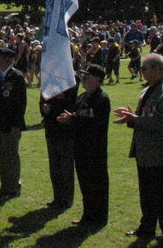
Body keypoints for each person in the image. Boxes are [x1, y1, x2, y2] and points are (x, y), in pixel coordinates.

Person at [114, 54, 163, 242]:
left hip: (157, 152)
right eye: (142, 69)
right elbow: (146, 117)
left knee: (162, 195)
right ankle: (147, 227)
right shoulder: (149, 90)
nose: (143, 72)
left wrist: (135, 119)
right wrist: (132, 116)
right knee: (147, 193)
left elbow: (162, 124)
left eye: (146, 68)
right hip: (144, 150)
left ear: (158, 69)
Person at [58, 64, 110, 228]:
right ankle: (88, 215)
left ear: (98, 80)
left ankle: (99, 218)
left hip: (95, 149)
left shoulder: (102, 99)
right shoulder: (82, 97)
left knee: (97, 184)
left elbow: (93, 123)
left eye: (87, 77)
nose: (84, 79)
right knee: (85, 183)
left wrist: (73, 119)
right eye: (83, 77)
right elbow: (76, 115)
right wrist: (68, 118)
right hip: (80, 147)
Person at [0, 47, 26, 196]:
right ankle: (5, 185)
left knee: (11, 155)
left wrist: (17, 125)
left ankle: (14, 185)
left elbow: (20, 103)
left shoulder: (16, 76)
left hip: (10, 123)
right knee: (1, 155)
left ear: (4, 60)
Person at [40, 75, 77, 210]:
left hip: (65, 129)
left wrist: (68, 116)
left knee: (66, 166)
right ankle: (57, 197)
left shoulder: (72, 79)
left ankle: (67, 198)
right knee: (54, 166)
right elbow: (42, 101)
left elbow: (73, 102)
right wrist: (44, 109)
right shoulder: (48, 79)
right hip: (51, 128)